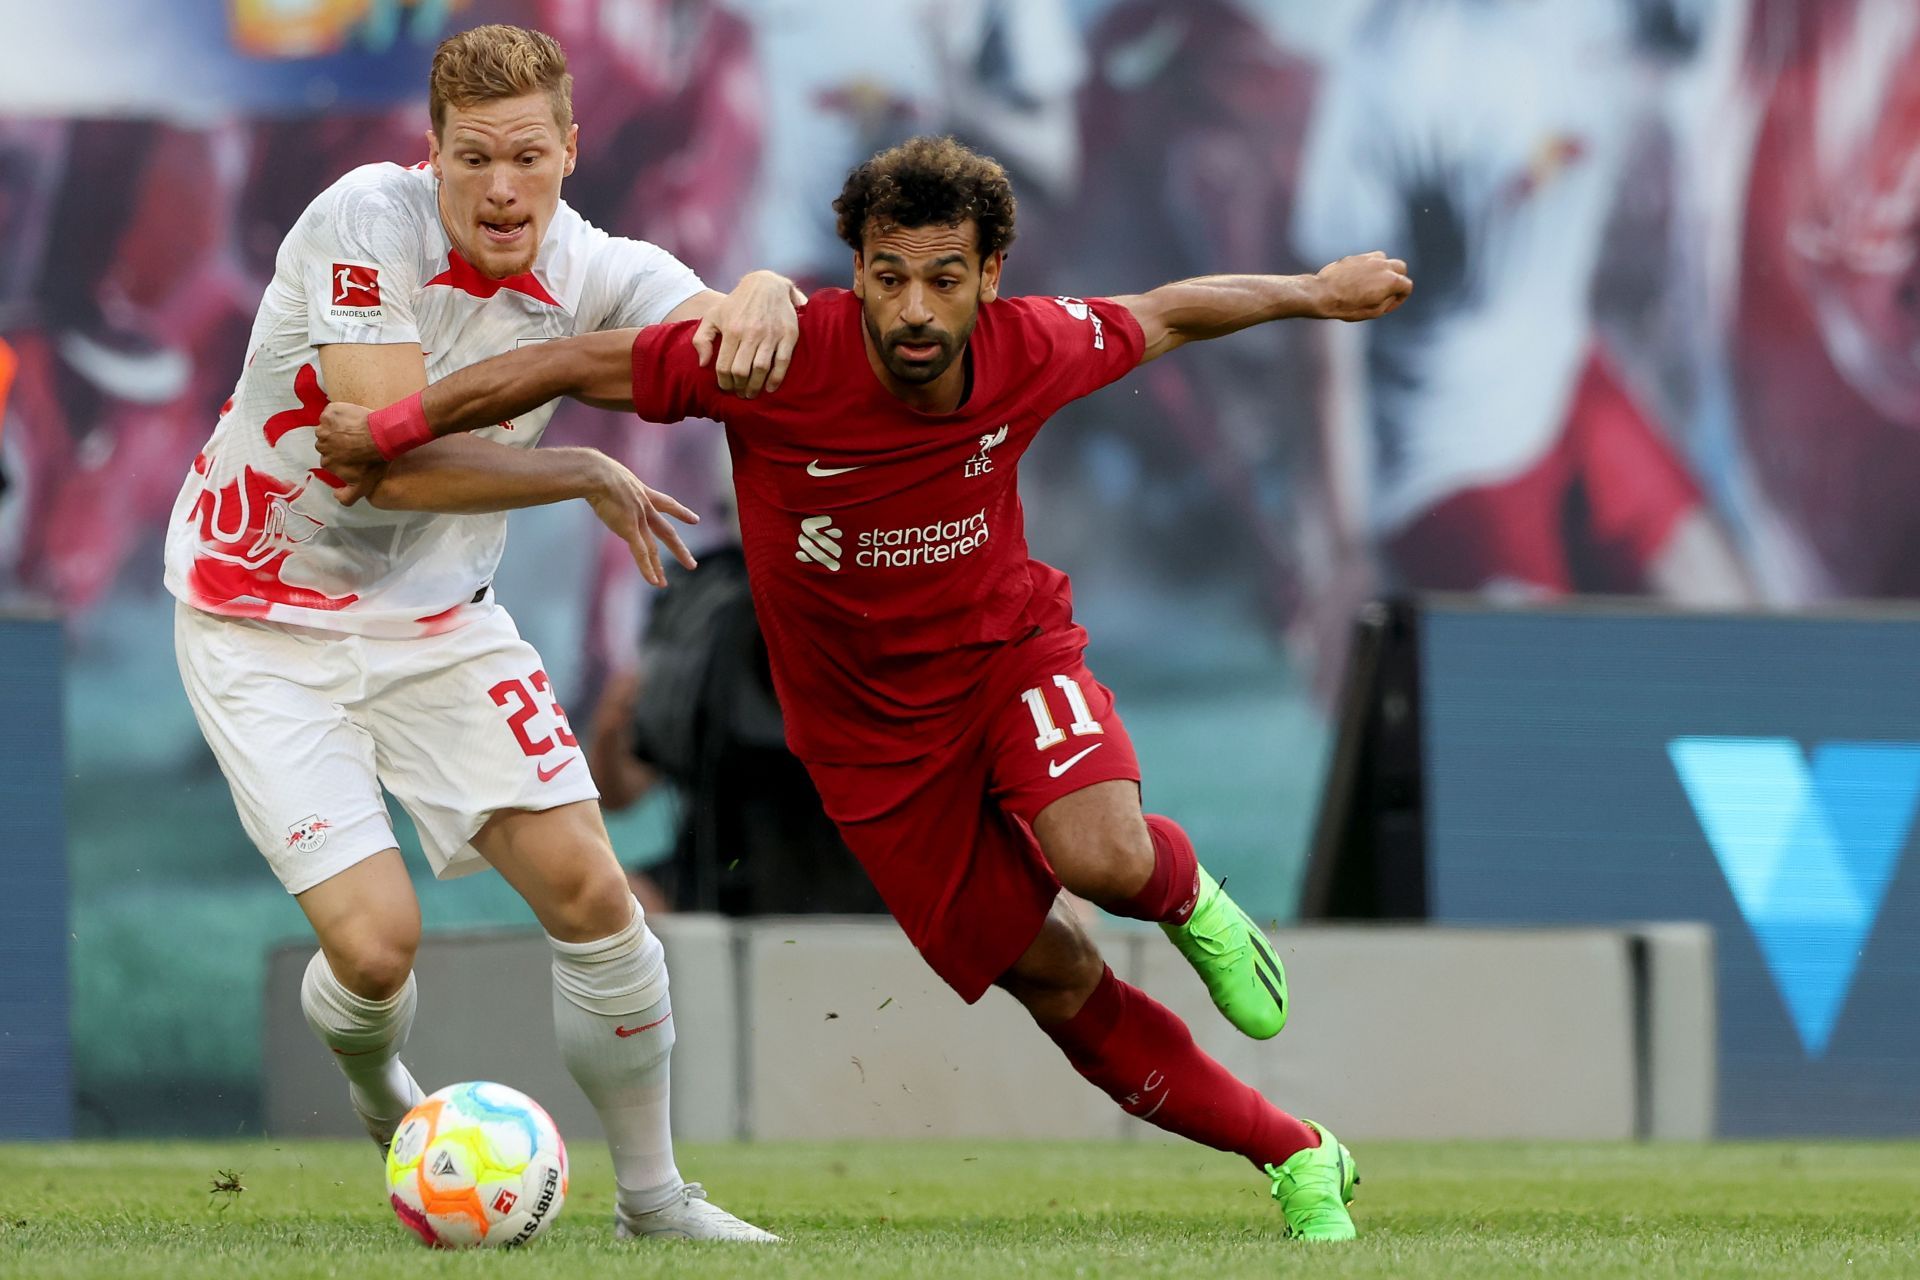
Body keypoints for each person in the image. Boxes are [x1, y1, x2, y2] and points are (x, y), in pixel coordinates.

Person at [319, 136, 1412, 1242]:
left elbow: (1172, 310)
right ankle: (1299, 1152)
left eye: (945, 277)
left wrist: (1317, 293)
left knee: (1104, 855)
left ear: (991, 276)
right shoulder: (770, 358)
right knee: (1058, 974)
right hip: (872, 753)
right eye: (890, 276)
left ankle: (1190, 904)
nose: (917, 309)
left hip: (1008, 659)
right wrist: (392, 427)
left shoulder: (1034, 344)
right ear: (858, 274)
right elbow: (561, 364)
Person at [164, 24, 798, 1244]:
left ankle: (657, 1199)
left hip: (440, 625)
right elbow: (377, 463)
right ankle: (377, 1090)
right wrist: (577, 468)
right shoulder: (364, 220)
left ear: (569, 149)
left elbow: (719, 326)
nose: (500, 187)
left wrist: (766, 290)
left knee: (592, 891)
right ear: (433, 156)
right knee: (378, 947)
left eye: (525, 156)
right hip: (260, 617)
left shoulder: (595, 263)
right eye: (472, 160)